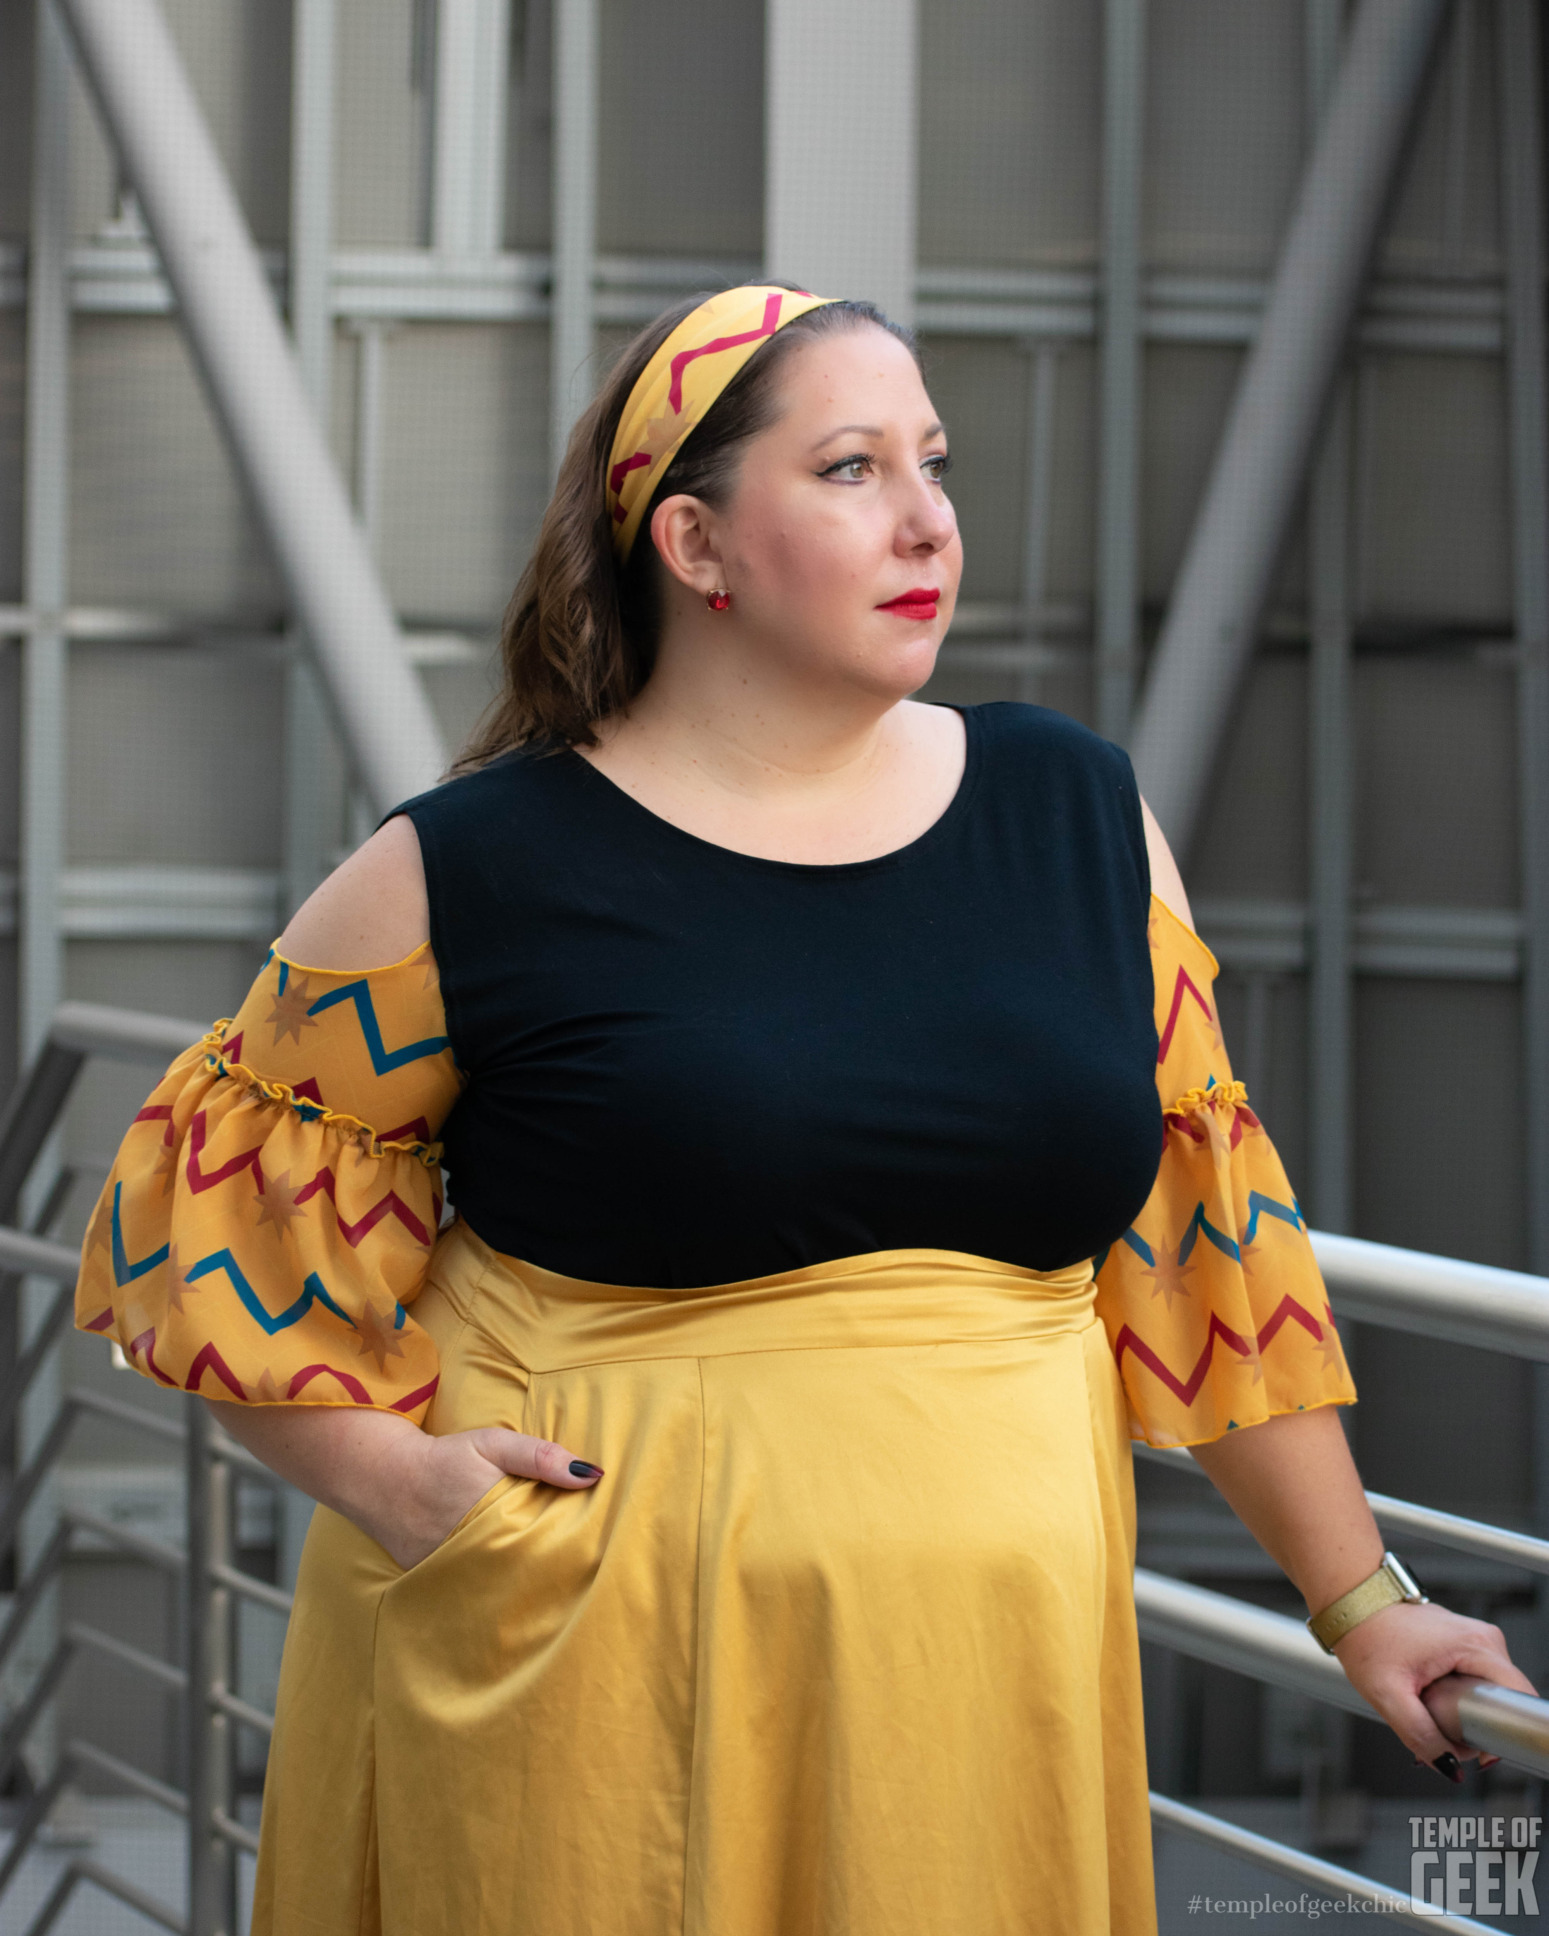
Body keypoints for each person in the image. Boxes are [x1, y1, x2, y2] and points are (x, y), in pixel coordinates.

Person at [76, 284, 1534, 1936]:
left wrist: (1361, 1601)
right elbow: (211, 1251)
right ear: (694, 546)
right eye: (849, 471)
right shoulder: (470, 867)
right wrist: (404, 1490)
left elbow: (1203, 1247)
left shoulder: (1076, 811)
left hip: (986, 1687)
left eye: (934, 463)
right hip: (590, 1683)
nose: (927, 521)